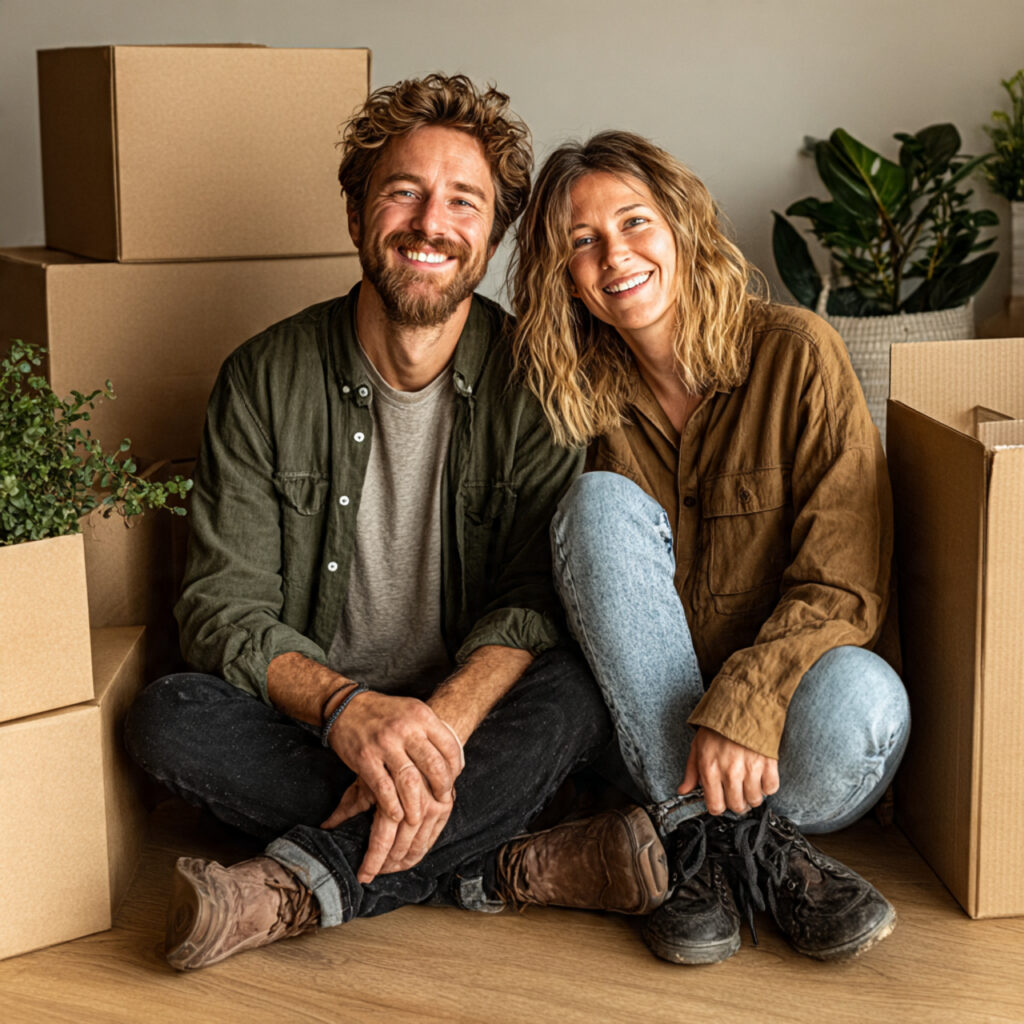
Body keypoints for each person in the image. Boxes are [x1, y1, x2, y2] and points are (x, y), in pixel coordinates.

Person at [125, 80, 670, 972]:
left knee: (573, 684)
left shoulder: (534, 381)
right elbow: (222, 608)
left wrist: (443, 725)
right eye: (404, 191)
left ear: (491, 239)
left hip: (470, 722)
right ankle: (505, 862)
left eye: (464, 201)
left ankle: (304, 883)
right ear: (356, 215)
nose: (431, 222)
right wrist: (348, 709)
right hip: (315, 721)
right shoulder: (264, 377)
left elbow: (536, 596)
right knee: (169, 716)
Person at [510, 130, 910, 965]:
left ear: (683, 227)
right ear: (565, 279)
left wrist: (748, 704)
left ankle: (689, 848)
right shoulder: (571, 404)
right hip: (649, 738)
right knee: (595, 504)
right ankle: (740, 848)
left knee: (864, 701)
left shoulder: (799, 352)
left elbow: (845, 583)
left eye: (633, 222)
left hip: (788, 738)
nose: (614, 254)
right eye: (581, 242)